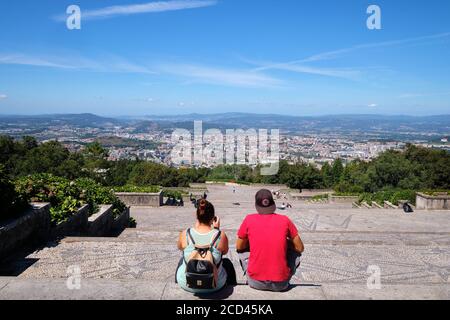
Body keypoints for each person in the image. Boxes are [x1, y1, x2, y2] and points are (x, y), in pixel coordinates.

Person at [236, 189, 304, 292]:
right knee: (295, 252)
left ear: (256, 205)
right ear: (272, 203)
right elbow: (300, 248)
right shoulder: (285, 220)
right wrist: (285, 243)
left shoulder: (249, 219)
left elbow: (239, 247)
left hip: (254, 282)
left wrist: (254, 242)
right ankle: (284, 273)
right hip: (281, 284)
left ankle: (253, 272)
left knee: (242, 251)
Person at [176, 199, 236, 294]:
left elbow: (180, 247)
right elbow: (224, 252)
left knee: (182, 259)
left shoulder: (185, 234)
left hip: (186, 284)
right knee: (227, 263)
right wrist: (216, 229)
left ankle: (178, 280)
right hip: (215, 285)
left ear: (196, 216)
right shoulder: (221, 235)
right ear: (213, 218)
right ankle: (232, 285)